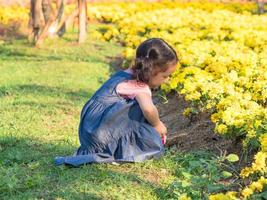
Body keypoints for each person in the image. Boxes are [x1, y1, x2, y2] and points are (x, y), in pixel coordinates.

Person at [55, 38, 179, 167]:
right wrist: (157, 125)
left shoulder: (124, 75)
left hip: (90, 130)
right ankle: (120, 150)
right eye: (165, 76)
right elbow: (148, 109)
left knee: (136, 108)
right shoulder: (139, 87)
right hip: (101, 135)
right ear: (152, 70)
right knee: (142, 116)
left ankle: (111, 148)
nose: (167, 80)